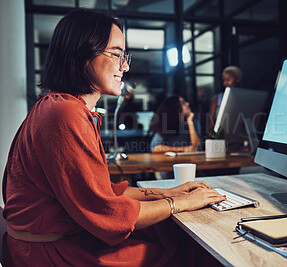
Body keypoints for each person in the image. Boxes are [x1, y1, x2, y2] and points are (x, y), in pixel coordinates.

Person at [2, 10, 225, 266]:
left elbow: (103, 192)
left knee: (166, 231)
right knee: (180, 245)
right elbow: (106, 212)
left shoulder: (63, 106)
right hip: (51, 253)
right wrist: (180, 202)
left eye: (124, 56)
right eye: (117, 54)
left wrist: (171, 192)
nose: (125, 66)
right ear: (82, 53)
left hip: (52, 240)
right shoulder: (65, 113)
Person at [208, 66, 242, 130]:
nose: (225, 83)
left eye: (228, 80)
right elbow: (211, 123)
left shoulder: (244, 98)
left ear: (238, 79)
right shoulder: (217, 99)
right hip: (221, 134)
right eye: (224, 80)